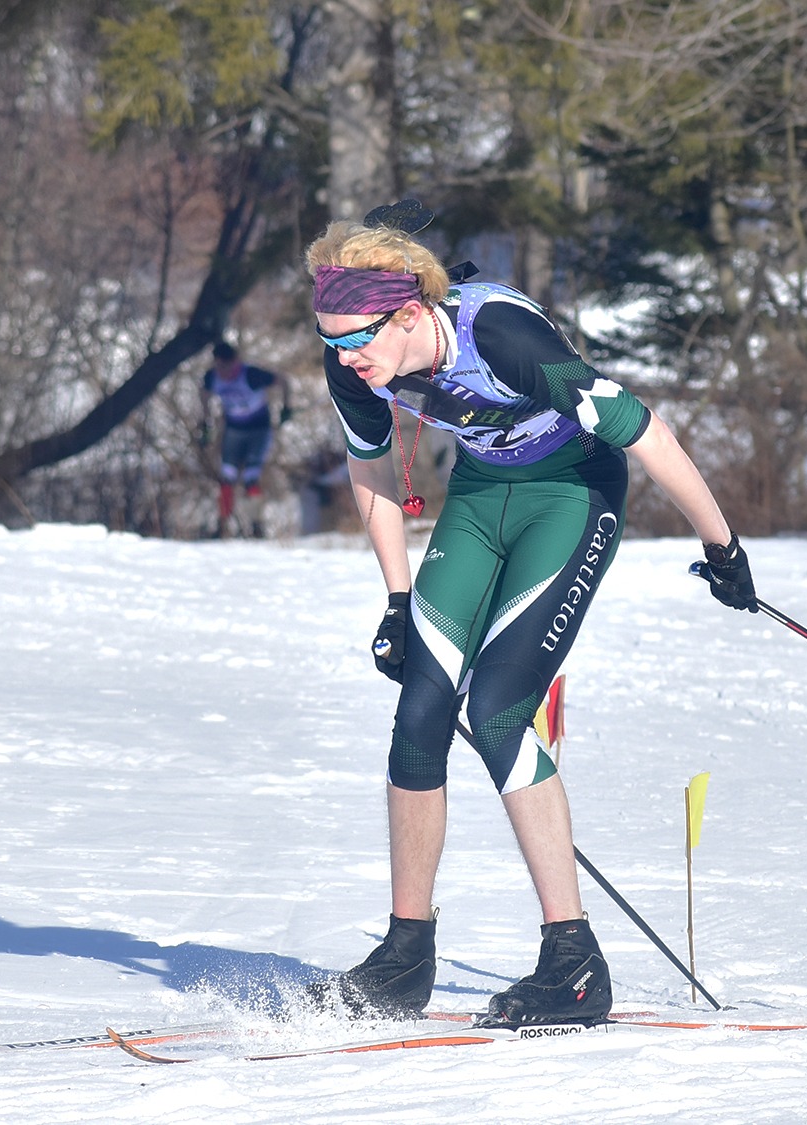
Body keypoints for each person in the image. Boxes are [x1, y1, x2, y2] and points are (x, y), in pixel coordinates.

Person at [303, 210, 758, 1029]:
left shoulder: (504, 337)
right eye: (330, 342)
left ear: (409, 313)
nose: (344, 358)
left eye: (355, 339)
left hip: (573, 493)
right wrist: (399, 600)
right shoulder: (360, 363)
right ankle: (406, 956)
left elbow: (648, 433)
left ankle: (573, 961)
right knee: (419, 709)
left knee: (501, 707)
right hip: (483, 495)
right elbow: (370, 467)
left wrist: (722, 546)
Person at [201, 341, 290, 538]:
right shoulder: (212, 377)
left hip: (259, 429)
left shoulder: (250, 375)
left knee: (251, 476)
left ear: (235, 362)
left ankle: (256, 525)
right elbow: (204, 393)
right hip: (233, 429)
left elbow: (282, 381)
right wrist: (206, 423)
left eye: (228, 366)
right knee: (227, 475)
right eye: (220, 366)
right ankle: (222, 525)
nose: (224, 372)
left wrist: (286, 408)